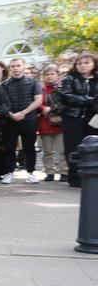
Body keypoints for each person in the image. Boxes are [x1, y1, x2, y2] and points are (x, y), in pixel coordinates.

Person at [57, 51, 98, 187]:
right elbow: (66, 96)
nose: (83, 66)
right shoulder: (69, 78)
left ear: (94, 64)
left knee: (93, 148)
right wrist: (91, 101)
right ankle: (75, 177)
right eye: (79, 63)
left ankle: (92, 176)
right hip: (73, 118)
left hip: (93, 119)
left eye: (87, 62)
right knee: (73, 148)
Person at [0, 57, 44, 184]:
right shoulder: (5, 85)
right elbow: (1, 103)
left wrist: (24, 112)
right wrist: (11, 114)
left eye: (18, 65)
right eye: (13, 66)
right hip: (10, 121)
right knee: (9, 148)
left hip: (29, 120)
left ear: (23, 67)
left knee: (29, 148)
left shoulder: (33, 82)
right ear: (10, 68)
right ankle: (9, 173)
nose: (15, 68)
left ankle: (31, 173)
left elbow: (38, 100)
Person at [38, 63, 69, 182]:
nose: (50, 76)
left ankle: (64, 171)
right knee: (47, 151)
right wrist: (42, 109)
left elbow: (66, 103)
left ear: (58, 75)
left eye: (52, 74)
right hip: (45, 123)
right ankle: (49, 172)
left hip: (60, 123)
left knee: (61, 150)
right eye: (47, 74)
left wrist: (59, 114)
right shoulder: (41, 89)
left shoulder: (63, 88)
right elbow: (37, 101)